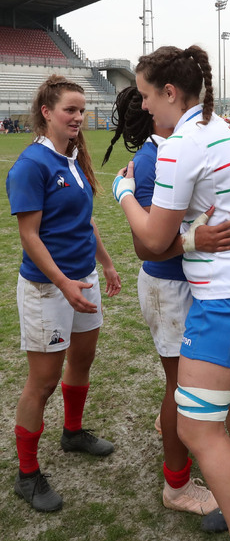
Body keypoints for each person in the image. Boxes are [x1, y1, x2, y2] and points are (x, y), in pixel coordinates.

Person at [115, 45, 230, 541]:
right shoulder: (218, 126)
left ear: (168, 92)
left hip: (224, 300)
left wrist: (122, 194)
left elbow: (155, 240)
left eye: (145, 95)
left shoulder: (182, 144)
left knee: (197, 429)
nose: (141, 106)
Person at [102, 85, 230, 517]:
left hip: (188, 286)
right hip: (168, 289)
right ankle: (177, 486)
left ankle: (175, 430)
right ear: (153, 111)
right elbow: (147, 246)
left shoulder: (183, 147)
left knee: (187, 387)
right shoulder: (150, 161)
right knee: (180, 390)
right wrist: (193, 239)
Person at [6, 75, 121, 512]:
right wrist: (63, 284)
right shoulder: (32, 165)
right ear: (46, 112)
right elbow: (30, 237)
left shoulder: (72, 158)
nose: (78, 116)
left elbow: (83, 223)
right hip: (47, 289)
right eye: (69, 109)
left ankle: (72, 433)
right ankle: (27, 474)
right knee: (43, 381)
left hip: (82, 279)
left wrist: (105, 262)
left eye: (81, 109)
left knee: (83, 360)